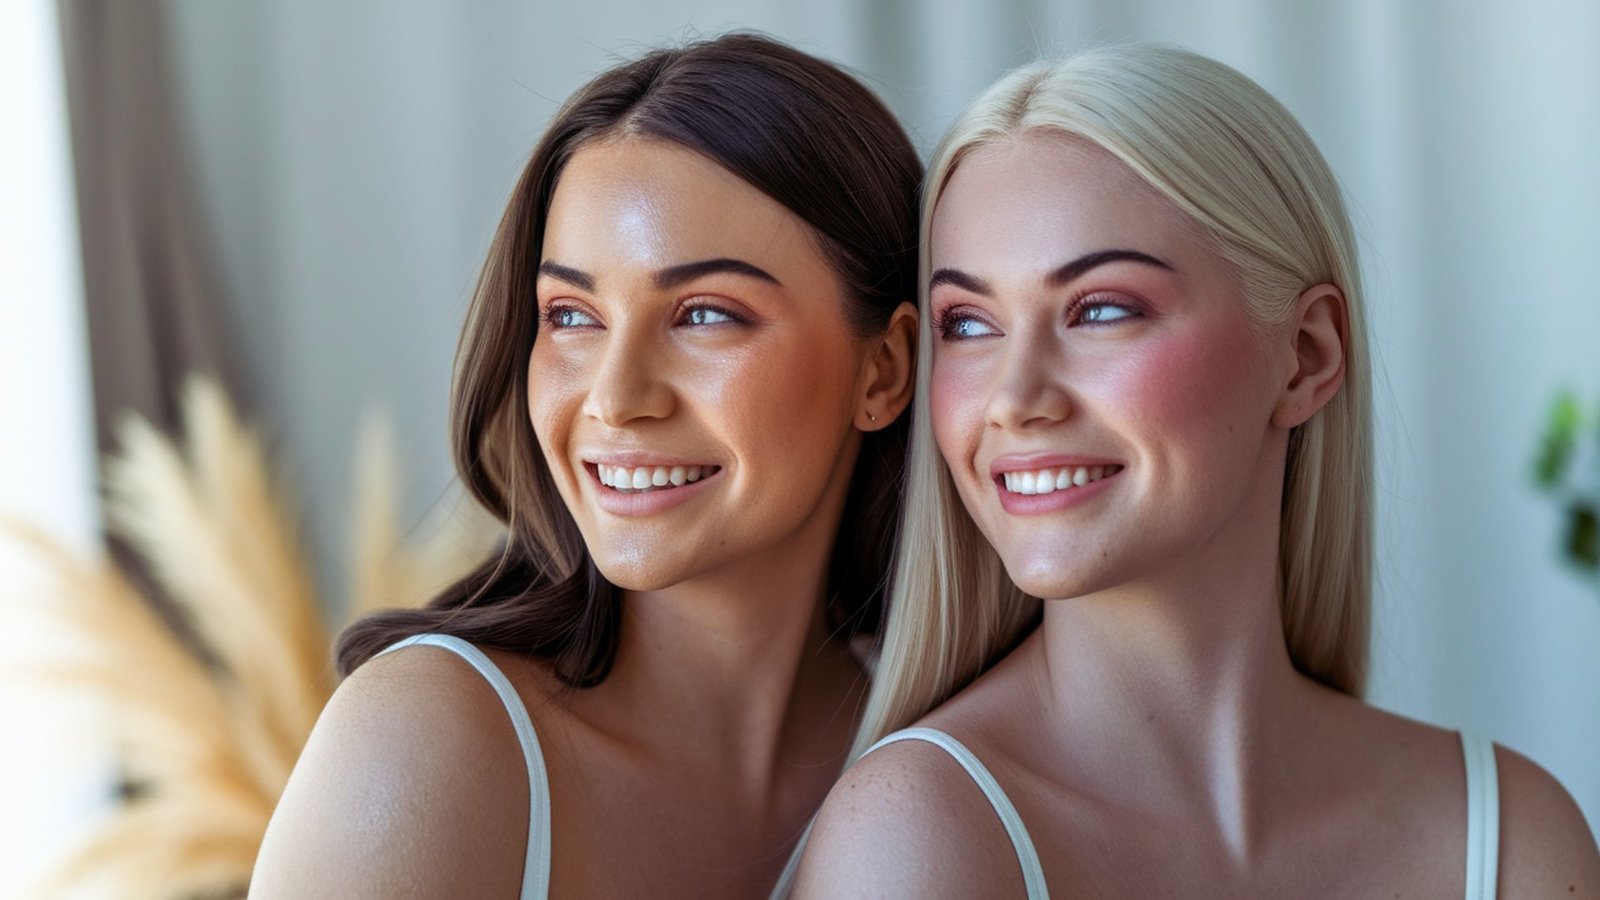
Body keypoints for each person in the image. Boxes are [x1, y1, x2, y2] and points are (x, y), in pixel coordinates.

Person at [794, 45, 1599, 898]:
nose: (1014, 398)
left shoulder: (1510, 834)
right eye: (968, 324)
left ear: (1306, 355)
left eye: (1101, 308)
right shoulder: (914, 837)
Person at [249, 33, 920, 898]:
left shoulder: (939, 752)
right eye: (570, 315)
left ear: (886, 369)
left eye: (706, 314)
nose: (615, 396)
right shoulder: (431, 747)